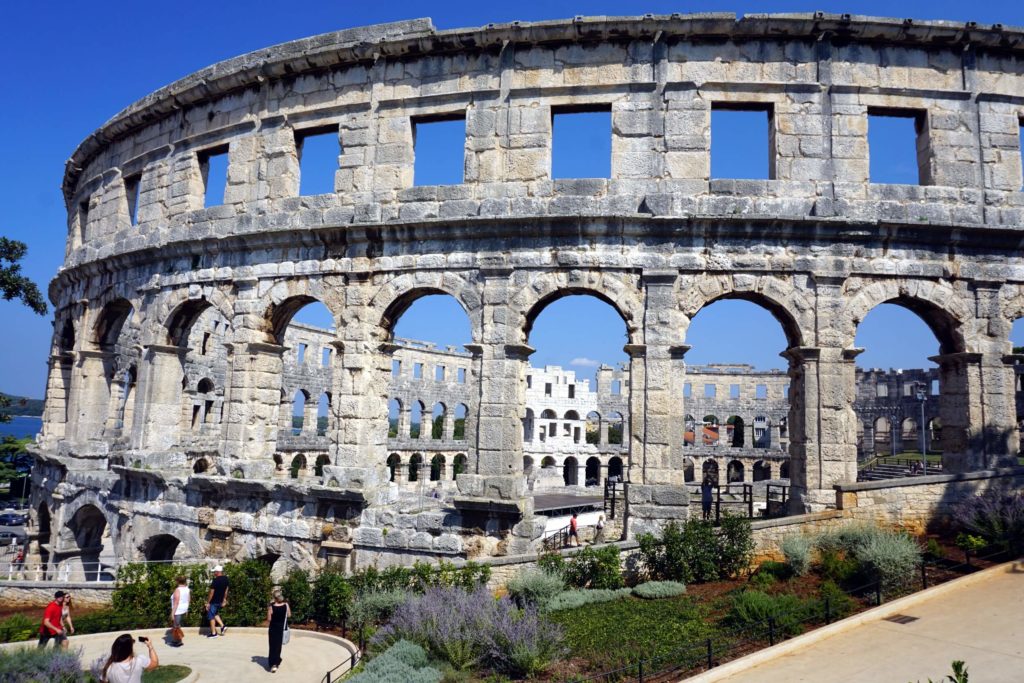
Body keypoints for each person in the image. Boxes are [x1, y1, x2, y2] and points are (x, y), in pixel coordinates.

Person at [266, 589, 291, 673]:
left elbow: (269, 619)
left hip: (273, 628)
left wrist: (269, 609)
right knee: (278, 646)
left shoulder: (271, 606)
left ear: (274, 598)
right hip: (281, 628)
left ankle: (273, 664)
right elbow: (289, 615)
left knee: (272, 645)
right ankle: (276, 662)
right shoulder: (286, 605)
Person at [206, 565, 229, 637]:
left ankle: (214, 633)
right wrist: (224, 599)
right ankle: (222, 626)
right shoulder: (226, 579)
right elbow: (226, 591)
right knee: (215, 613)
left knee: (211, 616)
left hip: (214, 601)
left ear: (217, 572)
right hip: (220, 600)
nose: (213, 573)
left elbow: (211, 592)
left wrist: (208, 602)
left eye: (214, 572)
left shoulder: (215, 580)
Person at [169, 575, 190, 647]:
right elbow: (188, 600)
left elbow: (176, 602)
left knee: (176, 627)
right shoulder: (187, 589)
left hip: (178, 610)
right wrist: (187, 609)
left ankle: (178, 641)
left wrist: (172, 613)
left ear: (177, 581)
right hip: (183, 609)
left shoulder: (178, 590)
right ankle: (177, 640)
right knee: (178, 625)